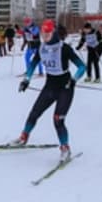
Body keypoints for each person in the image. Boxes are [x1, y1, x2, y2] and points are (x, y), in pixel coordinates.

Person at [13, 20, 86, 162]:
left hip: (65, 87)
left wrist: (74, 80)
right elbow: (33, 63)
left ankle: (65, 148)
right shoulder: (42, 48)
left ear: (53, 33)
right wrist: (26, 79)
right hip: (50, 85)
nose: (44, 36)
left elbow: (82, 66)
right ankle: (24, 137)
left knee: (58, 120)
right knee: (34, 113)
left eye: (47, 33)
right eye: (42, 33)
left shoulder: (64, 48)